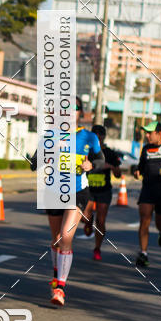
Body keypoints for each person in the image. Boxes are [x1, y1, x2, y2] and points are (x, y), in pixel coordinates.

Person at [30, 98, 104, 306]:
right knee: (55, 239)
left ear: (80, 113)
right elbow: (34, 163)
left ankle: (60, 288)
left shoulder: (88, 136)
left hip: (78, 192)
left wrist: (91, 165)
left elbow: (100, 160)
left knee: (65, 236)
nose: (69, 113)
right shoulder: (50, 135)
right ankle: (56, 276)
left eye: (74, 109)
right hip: (53, 192)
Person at [133, 121, 161, 267]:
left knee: (160, 222)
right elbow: (141, 167)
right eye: (146, 133)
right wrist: (137, 172)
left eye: (150, 133)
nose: (147, 135)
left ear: (159, 133)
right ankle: (143, 253)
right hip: (148, 190)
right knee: (144, 219)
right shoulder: (146, 149)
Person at [82, 125, 122, 260]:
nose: (98, 137)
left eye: (101, 135)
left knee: (101, 220)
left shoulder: (110, 153)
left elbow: (118, 174)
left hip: (104, 191)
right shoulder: (85, 151)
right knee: (85, 217)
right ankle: (88, 223)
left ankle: (97, 248)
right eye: (95, 135)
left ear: (104, 136)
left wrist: (110, 166)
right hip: (88, 189)